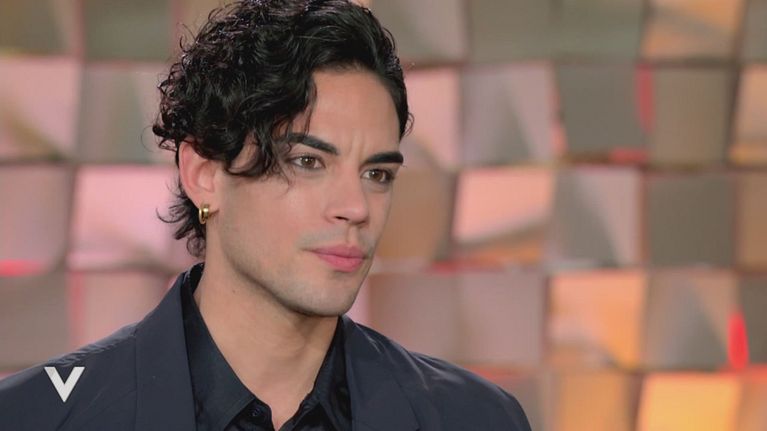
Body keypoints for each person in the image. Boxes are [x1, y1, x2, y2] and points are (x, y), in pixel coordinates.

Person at [0, 1, 531, 429]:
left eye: (376, 173)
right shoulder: (36, 418)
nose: (355, 208)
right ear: (204, 174)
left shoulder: (475, 419)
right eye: (308, 162)